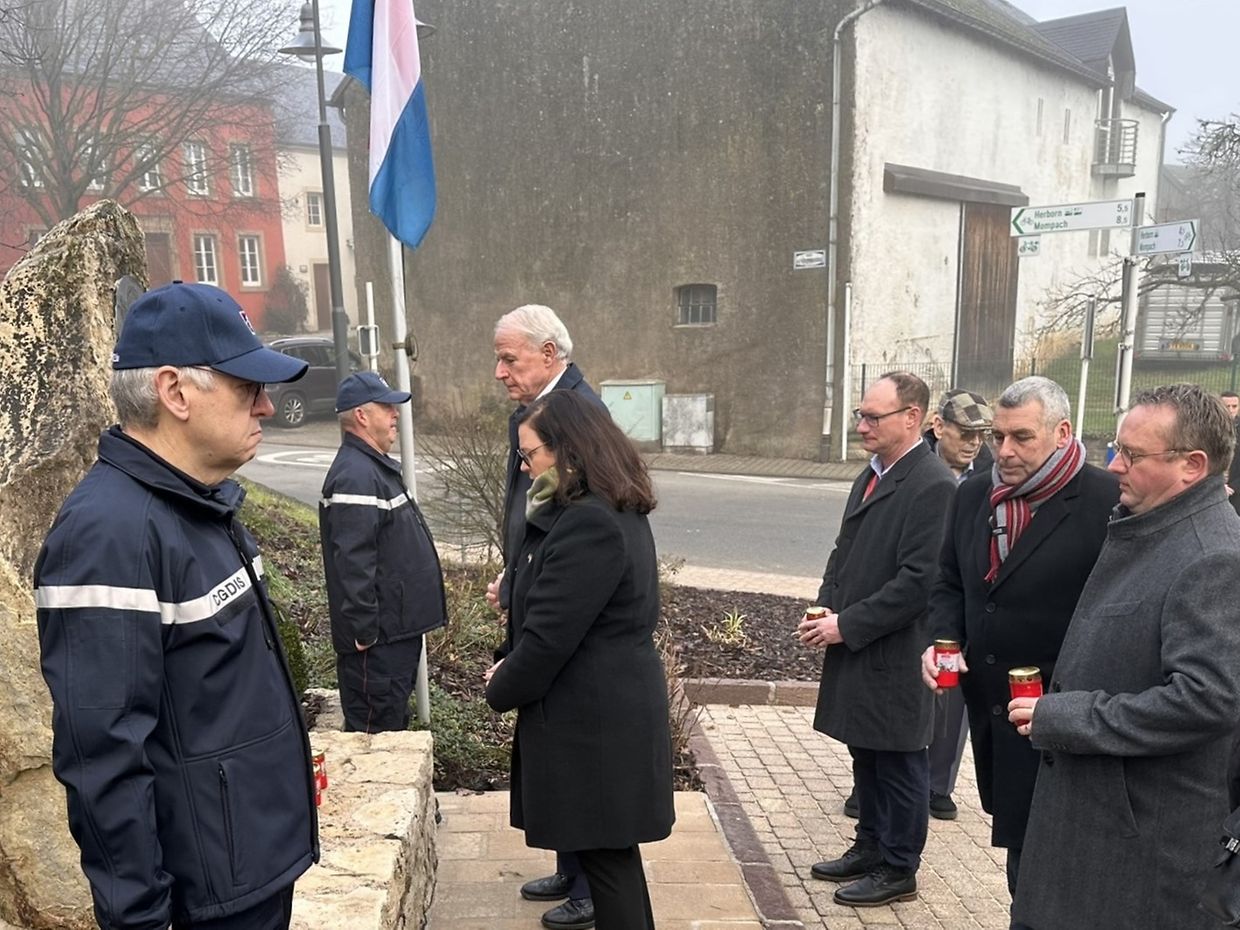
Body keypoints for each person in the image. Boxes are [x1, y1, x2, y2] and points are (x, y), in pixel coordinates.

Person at [33, 282, 318, 930]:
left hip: (248, 873)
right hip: (204, 901)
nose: (268, 405)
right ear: (175, 391)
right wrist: (141, 919)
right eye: (248, 387)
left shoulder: (198, 504)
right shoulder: (108, 536)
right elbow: (104, 758)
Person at [1009, 383, 1240, 930]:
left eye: (1132, 455)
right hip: (1098, 829)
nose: (1114, 465)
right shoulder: (1155, 527)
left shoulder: (1212, 556)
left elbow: (1206, 699)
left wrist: (1065, 716)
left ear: (1192, 465)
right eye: (1117, 448)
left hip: (1136, 853)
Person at [921, 376, 1117, 926]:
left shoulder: (1107, 501)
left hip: (1068, 723)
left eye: (1022, 437)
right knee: (1020, 864)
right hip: (997, 717)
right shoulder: (973, 494)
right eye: (998, 436)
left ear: (1062, 433)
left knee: (1056, 875)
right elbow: (949, 582)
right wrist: (943, 643)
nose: (1003, 451)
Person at [485, 390, 674, 930]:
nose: (524, 467)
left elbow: (550, 637)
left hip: (595, 723)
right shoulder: (603, 507)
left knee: (608, 863)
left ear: (567, 449)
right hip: (605, 711)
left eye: (529, 454)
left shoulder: (589, 521)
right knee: (612, 859)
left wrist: (502, 683)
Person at [799, 371, 956, 907]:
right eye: (860, 415)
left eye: (872, 416)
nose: (861, 425)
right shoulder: (870, 474)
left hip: (897, 652)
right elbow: (843, 550)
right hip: (862, 644)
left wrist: (846, 625)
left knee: (900, 760)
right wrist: (825, 604)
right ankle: (869, 846)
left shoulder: (933, 484)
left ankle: (898, 867)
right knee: (865, 751)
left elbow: (918, 583)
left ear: (912, 417)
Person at [486, 303, 603, 929]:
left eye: (510, 358)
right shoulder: (535, 412)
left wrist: (534, 576)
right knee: (550, 744)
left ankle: (588, 886)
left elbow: (578, 525)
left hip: (568, 609)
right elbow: (533, 511)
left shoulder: (578, 413)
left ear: (550, 354)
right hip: (537, 583)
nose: (500, 371)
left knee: (572, 748)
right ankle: (569, 863)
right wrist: (517, 573)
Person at [319, 370, 447, 733]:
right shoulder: (356, 475)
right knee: (375, 734)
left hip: (392, 637)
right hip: (377, 648)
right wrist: (365, 632)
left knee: (391, 722)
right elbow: (354, 562)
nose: (395, 415)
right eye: (386, 407)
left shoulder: (369, 468)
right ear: (361, 415)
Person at [1221, 391, 1240, 515]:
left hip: (1236, 492)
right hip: (1211, 489)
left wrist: (1233, 487)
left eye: (1234, 406)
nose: (1231, 410)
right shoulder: (1207, 428)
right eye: (1227, 406)